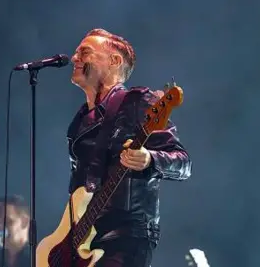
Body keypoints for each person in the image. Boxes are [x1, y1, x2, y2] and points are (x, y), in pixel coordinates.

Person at [67, 28, 192, 267]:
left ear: (114, 60)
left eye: (84, 52)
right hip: (83, 242)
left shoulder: (137, 102)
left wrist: (150, 159)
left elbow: (183, 162)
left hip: (124, 238)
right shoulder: (80, 121)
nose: (75, 58)